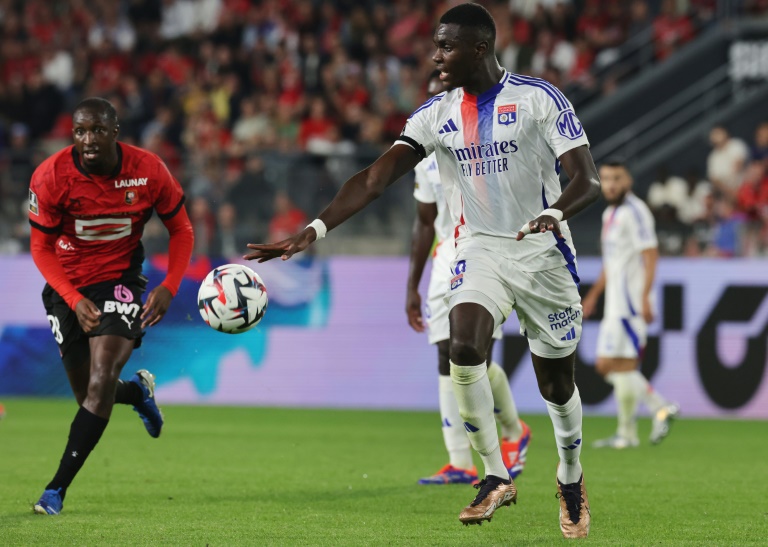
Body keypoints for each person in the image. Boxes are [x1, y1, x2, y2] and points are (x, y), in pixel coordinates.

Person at [246, 4, 599, 536]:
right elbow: (373, 179)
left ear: (479, 48)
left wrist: (553, 212)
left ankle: (570, 476)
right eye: (436, 45)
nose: (436, 56)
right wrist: (312, 231)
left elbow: (587, 181)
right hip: (479, 248)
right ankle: (494, 475)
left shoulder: (538, 99)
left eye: (447, 47)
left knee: (556, 384)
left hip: (542, 251)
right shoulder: (436, 114)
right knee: (462, 345)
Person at [28, 97, 194, 515]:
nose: (88, 139)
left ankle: (55, 491)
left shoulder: (148, 170)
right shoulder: (51, 176)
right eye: (80, 131)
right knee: (87, 393)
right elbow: (40, 247)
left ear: (115, 132)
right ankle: (138, 392)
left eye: (98, 130)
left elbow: (182, 228)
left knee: (101, 380)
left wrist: (170, 285)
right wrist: (73, 298)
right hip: (67, 285)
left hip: (119, 279)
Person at [406, 71, 531, 486]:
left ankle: (513, 431)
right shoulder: (422, 158)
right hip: (445, 261)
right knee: (446, 357)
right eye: (429, 97)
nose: (434, 104)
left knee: (475, 357)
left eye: (441, 95)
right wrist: (412, 284)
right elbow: (425, 223)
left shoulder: (487, 142)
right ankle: (459, 461)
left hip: (484, 253)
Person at [582, 161, 679, 450]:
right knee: (618, 366)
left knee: (611, 364)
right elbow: (611, 263)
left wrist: (645, 298)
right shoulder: (611, 213)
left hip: (630, 303)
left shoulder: (635, 211)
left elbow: (651, 255)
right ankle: (636, 426)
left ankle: (652, 413)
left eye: (617, 178)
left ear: (629, 181)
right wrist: (595, 294)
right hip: (615, 302)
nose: (611, 184)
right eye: (607, 178)